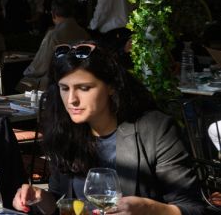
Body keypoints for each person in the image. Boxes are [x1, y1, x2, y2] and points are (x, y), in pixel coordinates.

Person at [12, 42, 204, 215]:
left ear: (111, 87)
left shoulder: (154, 130)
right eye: (65, 88)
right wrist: (40, 198)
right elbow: (60, 202)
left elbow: (193, 208)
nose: (72, 100)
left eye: (84, 88)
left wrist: (149, 209)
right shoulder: (66, 131)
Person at [19, 0, 90, 91]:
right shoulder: (84, 33)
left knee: (23, 82)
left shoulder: (54, 34)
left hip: (57, 79)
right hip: (80, 76)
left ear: (53, 14)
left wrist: (26, 72)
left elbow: (40, 66)